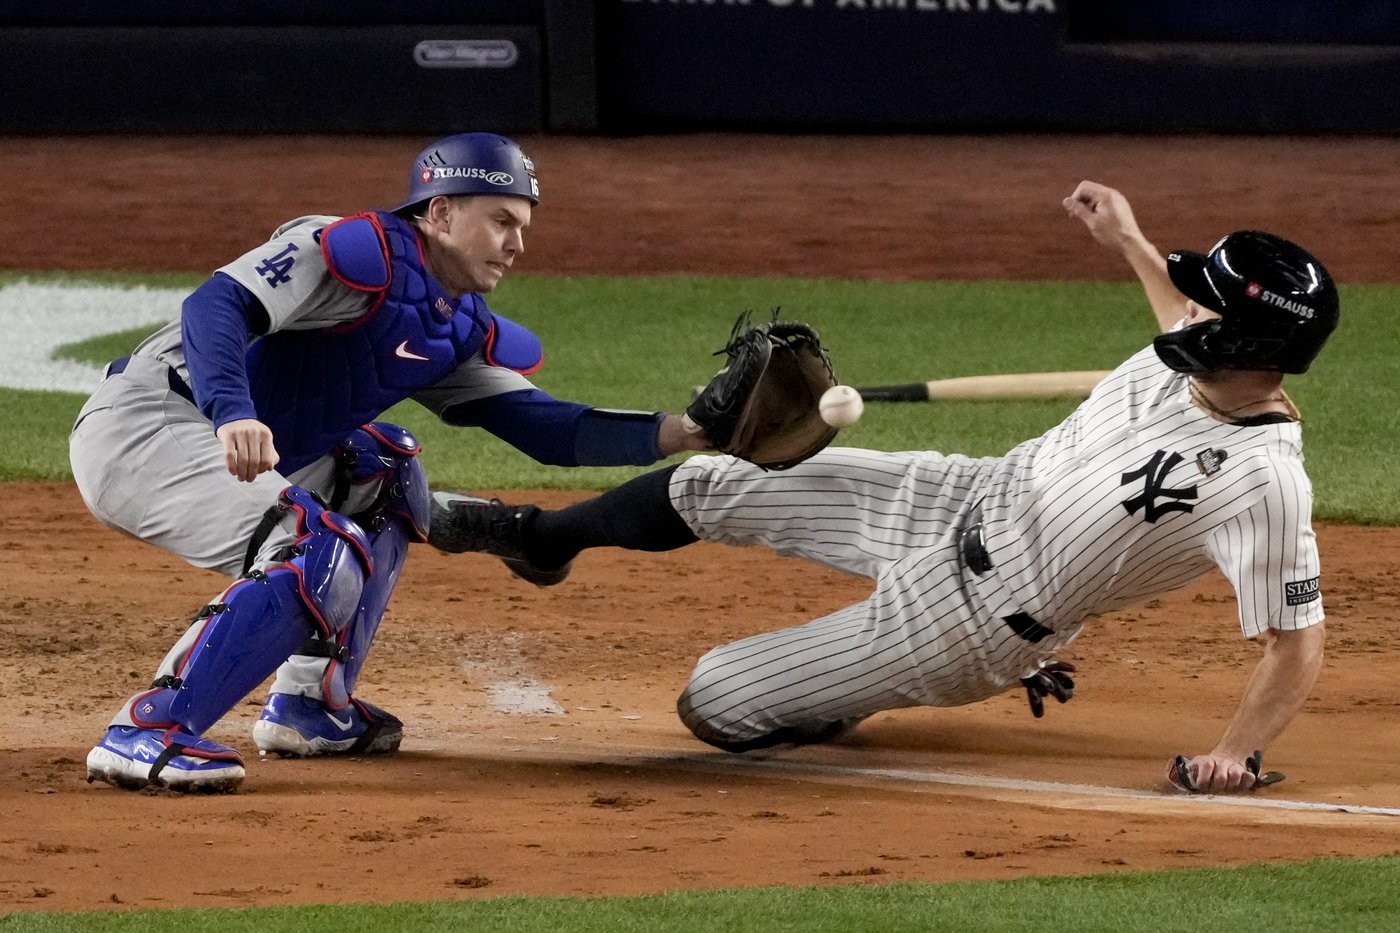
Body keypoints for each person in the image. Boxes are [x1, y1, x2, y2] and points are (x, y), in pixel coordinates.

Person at [434, 180, 1338, 794]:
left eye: (1211, 306)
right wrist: (1128, 238)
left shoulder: (1262, 485)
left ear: (1245, 346)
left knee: (715, 699)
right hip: (962, 493)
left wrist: (1235, 753)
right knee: (719, 478)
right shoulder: (1199, 349)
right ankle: (542, 540)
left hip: (975, 622)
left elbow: (1295, 644)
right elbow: (1176, 308)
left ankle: (849, 689)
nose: (1191, 308)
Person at [72, 133, 709, 793]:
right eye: (500, 220)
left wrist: (687, 431)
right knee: (315, 546)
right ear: (440, 212)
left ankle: (312, 705)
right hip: (147, 425)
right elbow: (216, 305)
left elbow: (545, 426)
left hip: (224, 439)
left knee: (386, 473)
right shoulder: (345, 251)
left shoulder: (452, 324)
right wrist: (233, 410)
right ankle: (149, 729)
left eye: (521, 225)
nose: (517, 244)